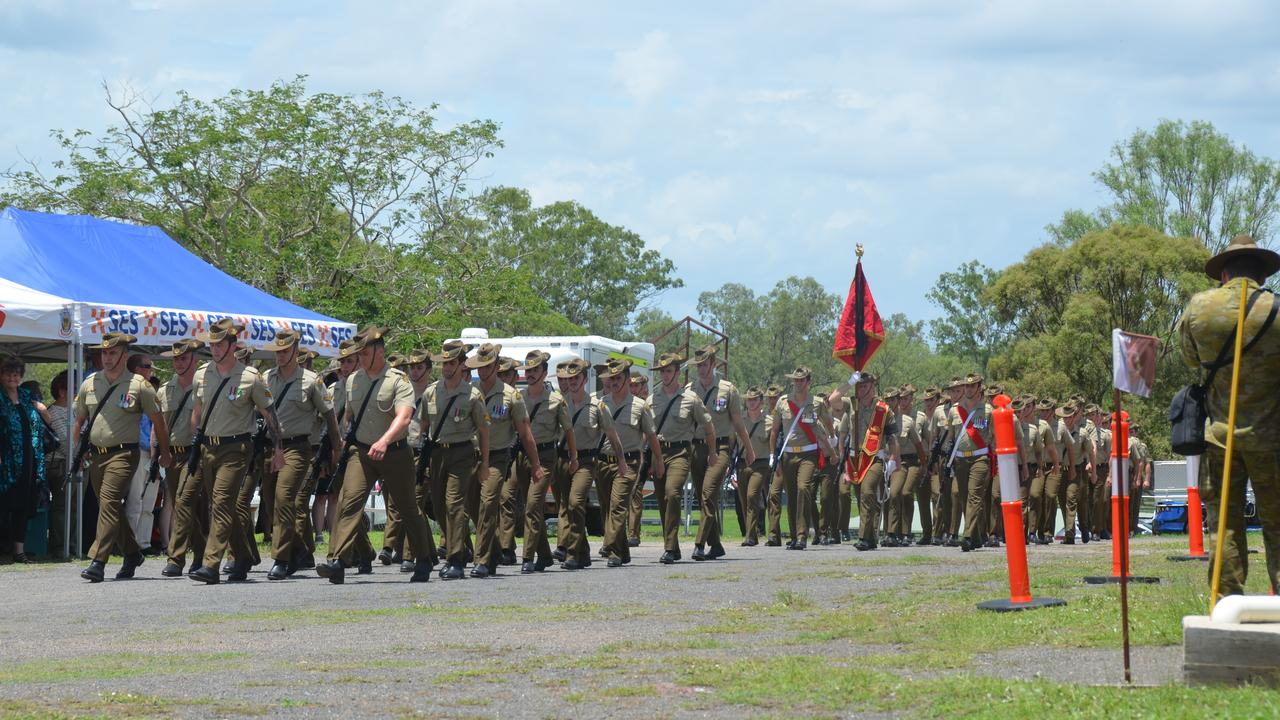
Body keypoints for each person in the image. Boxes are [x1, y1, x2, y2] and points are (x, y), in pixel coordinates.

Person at [1178, 235, 1280, 594]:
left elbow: (1191, 359)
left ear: (1223, 274)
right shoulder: (1276, 309)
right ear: (1262, 276)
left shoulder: (1199, 308)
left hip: (1219, 436)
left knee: (1225, 526)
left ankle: (1225, 606)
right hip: (1272, 439)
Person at [319, 328, 433, 584]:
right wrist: (340, 447)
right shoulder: (353, 381)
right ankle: (338, 561)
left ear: (379, 352)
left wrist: (384, 440)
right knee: (350, 503)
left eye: (366, 352)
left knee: (407, 508)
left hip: (394, 453)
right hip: (361, 452)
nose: (360, 357)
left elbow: (404, 418)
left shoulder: (398, 380)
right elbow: (349, 416)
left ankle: (424, 558)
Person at [186, 320, 281, 584]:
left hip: (237, 448)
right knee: (222, 505)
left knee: (221, 502)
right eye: (212, 344)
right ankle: (243, 555)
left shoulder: (250, 377)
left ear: (232, 345)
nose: (214, 349)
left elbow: (269, 415)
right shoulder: (201, 374)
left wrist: (279, 450)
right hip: (207, 447)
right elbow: (197, 412)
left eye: (219, 345)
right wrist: (194, 443)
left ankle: (211, 563)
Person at [73, 333, 172, 581]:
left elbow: (159, 422)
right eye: (104, 353)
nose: (107, 358)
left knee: (107, 503)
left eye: (113, 353)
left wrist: (165, 452)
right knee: (112, 508)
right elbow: (80, 420)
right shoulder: (90, 383)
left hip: (124, 454)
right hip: (96, 455)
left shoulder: (139, 385)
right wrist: (79, 450)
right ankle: (131, 553)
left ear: (124, 356)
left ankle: (98, 561)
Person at [261, 329, 341, 580]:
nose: (280, 356)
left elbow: (329, 414)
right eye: (278, 352)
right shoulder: (266, 378)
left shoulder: (311, 381)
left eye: (285, 351)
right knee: (270, 502)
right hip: (271, 446)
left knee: (285, 497)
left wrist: (336, 448)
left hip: (298, 448)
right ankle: (300, 549)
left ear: (296, 352)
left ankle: (280, 559)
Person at [418, 340, 490, 580]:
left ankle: (455, 559)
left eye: (451, 363)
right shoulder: (431, 391)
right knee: (438, 506)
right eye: (444, 363)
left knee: (453, 504)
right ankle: (460, 547)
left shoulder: (473, 395)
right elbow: (424, 425)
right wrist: (423, 458)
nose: (446, 367)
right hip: (437, 453)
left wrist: (485, 464)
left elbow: (483, 430)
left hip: (462, 453)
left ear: (461, 365)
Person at [503, 351, 575, 573]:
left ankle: (527, 557)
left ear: (544, 373)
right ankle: (544, 555)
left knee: (533, 505)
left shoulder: (555, 400)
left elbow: (569, 430)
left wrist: (574, 457)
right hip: (520, 455)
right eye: (528, 370)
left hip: (544, 458)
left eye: (535, 370)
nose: (531, 374)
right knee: (517, 500)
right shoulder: (517, 397)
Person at [470, 344, 535, 578]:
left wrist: (536, 464)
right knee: (470, 507)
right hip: (471, 457)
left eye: (488, 366)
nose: (484, 370)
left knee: (488, 504)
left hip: (497, 458)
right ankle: (495, 550)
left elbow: (525, 433)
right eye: (481, 366)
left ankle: (482, 561)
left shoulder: (511, 396)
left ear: (496, 366)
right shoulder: (469, 392)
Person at [686, 347, 755, 560]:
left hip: (722, 447)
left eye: (704, 364)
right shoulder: (690, 389)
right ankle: (715, 544)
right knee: (702, 497)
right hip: (697, 447)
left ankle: (699, 545)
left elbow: (737, 422)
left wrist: (749, 448)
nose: (701, 369)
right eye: (698, 365)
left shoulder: (728, 389)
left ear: (713, 365)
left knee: (708, 493)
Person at [646, 352, 715, 563]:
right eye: (662, 372)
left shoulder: (690, 398)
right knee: (662, 500)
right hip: (658, 453)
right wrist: (647, 458)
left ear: (677, 372)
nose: (665, 375)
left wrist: (712, 452)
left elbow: (708, 427)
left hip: (680, 453)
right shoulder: (652, 399)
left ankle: (667, 548)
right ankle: (674, 548)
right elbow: (646, 433)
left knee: (673, 493)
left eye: (668, 371)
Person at [558, 358, 625, 569]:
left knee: (576, 502)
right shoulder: (558, 403)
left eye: (576, 378)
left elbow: (612, 436)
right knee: (568, 508)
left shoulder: (598, 405)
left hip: (586, 461)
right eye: (569, 379)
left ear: (584, 379)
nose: (572, 382)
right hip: (562, 460)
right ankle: (583, 552)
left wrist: (622, 461)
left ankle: (572, 553)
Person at [596, 358, 662, 566]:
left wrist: (658, 460)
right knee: (607, 508)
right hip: (603, 462)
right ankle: (623, 551)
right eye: (611, 378)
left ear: (626, 378)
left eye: (618, 378)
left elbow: (651, 436)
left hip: (629, 464)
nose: (614, 382)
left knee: (618, 506)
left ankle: (614, 551)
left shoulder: (640, 406)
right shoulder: (601, 403)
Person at [770, 366, 837, 551]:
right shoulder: (783, 402)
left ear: (808, 382)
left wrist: (832, 443)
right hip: (788, 454)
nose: (798, 383)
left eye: (802, 380)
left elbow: (827, 423)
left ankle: (802, 535)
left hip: (808, 453)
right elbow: (775, 431)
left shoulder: (815, 403)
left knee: (803, 488)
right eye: (796, 380)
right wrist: (772, 456)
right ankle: (794, 535)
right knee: (791, 495)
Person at [158, 339, 207, 577]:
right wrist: (160, 452)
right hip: (173, 454)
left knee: (184, 502)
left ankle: (175, 558)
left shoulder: (205, 387)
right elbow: (161, 426)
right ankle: (201, 549)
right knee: (183, 505)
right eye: (176, 359)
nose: (179, 363)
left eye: (184, 358)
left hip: (196, 453)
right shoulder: (165, 389)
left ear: (195, 361)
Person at [1, 353, 52, 564]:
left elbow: (44, 424)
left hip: (29, 458)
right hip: (6, 459)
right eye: (8, 374)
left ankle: (19, 551)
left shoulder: (25, 396)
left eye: (16, 374)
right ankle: (3, 550)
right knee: (4, 506)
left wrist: (41, 408)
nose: (13, 378)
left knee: (23, 505)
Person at [886, 386, 926, 546]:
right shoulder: (881, 421)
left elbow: (919, 446)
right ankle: (891, 533)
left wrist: (924, 465)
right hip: (896, 462)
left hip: (913, 461)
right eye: (887, 400)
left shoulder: (908, 421)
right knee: (894, 493)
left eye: (893, 399)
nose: (891, 403)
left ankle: (905, 532)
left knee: (906, 492)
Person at [738, 386, 773, 546]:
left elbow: (774, 444)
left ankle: (750, 536)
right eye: (749, 400)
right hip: (741, 463)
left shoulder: (769, 421)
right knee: (745, 500)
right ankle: (752, 533)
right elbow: (732, 443)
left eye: (754, 400)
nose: (751, 403)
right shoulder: (739, 419)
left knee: (753, 496)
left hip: (760, 464)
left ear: (761, 401)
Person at [45, 371, 71, 560]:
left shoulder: (75, 409)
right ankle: (59, 547)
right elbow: (64, 439)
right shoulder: (53, 412)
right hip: (61, 465)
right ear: (62, 391)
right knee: (61, 508)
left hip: (79, 464)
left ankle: (74, 545)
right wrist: (79, 457)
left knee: (75, 508)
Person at [626, 372, 651, 547]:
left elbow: (649, 433)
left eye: (636, 386)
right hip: (626, 452)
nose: (633, 389)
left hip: (643, 452)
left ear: (643, 387)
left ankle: (634, 533)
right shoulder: (628, 403)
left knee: (635, 491)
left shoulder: (646, 404)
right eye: (631, 385)